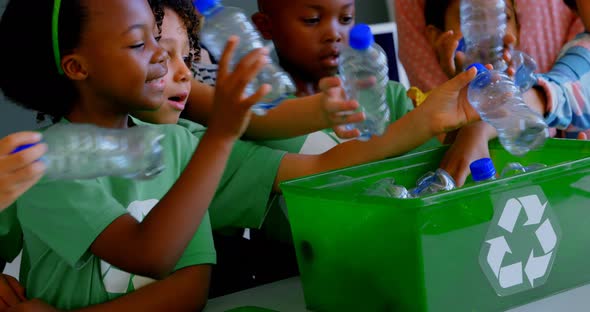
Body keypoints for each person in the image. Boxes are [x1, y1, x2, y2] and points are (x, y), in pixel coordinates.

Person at [0, 0, 269, 309]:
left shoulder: (178, 143)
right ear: (77, 67)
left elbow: (190, 289)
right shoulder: (43, 163)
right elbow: (149, 255)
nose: (160, 54)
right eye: (139, 43)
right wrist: (221, 135)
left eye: (156, 37)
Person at [396, 0, 584, 92]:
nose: (489, 34)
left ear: (518, 28)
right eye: (473, 20)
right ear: (435, 36)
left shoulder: (529, 77)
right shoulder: (434, 104)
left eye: (502, 17)